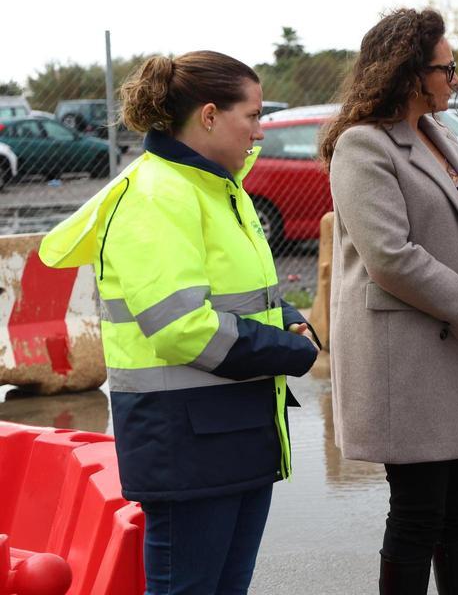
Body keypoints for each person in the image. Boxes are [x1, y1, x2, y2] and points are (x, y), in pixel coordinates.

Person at [39, 52, 321, 595]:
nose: (260, 133)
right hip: (186, 442)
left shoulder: (215, 188)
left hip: (230, 429)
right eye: (254, 117)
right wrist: (290, 353)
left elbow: (240, 294)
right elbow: (180, 326)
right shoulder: (156, 195)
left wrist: (287, 319)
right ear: (210, 116)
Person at [320, 7, 458, 595]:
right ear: (409, 73)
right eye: (446, 69)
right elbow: (390, 256)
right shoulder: (362, 146)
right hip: (407, 363)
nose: (454, 80)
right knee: (417, 517)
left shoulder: (440, 136)